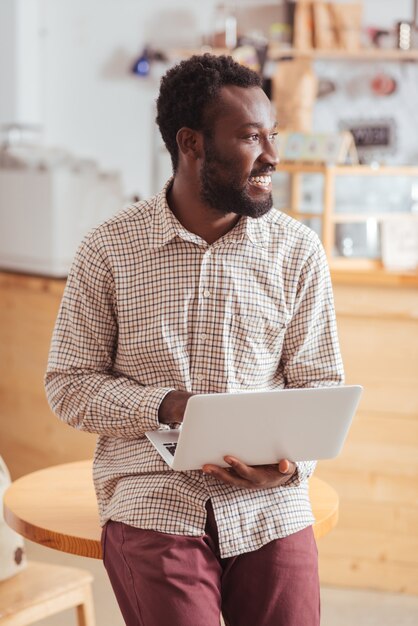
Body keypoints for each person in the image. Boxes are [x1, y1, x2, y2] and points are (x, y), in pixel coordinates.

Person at [45, 54, 344, 626]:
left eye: (272, 135)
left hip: (271, 505)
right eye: (251, 138)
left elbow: (320, 385)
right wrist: (166, 405)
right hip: (152, 497)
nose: (273, 157)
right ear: (192, 143)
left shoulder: (297, 251)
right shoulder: (109, 250)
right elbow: (68, 386)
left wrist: (287, 466)